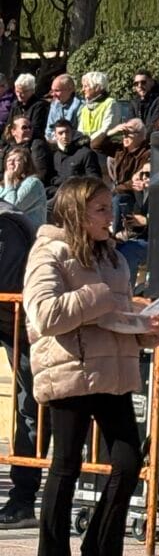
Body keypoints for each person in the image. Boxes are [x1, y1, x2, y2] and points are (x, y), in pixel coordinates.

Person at [24, 177, 159, 556]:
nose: (112, 216)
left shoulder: (114, 257)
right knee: (65, 465)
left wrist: (150, 329)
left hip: (115, 373)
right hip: (69, 371)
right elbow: (45, 315)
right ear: (76, 212)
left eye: (111, 207)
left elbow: (120, 317)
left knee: (128, 461)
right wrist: (99, 296)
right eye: (101, 209)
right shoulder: (49, 251)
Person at [0, 199, 38, 529]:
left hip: (22, 327)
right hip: (8, 322)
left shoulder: (7, 225)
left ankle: (24, 499)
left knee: (30, 411)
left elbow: (6, 281)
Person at [91, 119, 151, 236]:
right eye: (122, 134)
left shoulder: (146, 153)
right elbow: (95, 145)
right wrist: (112, 132)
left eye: (128, 134)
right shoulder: (120, 150)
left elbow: (136, 181)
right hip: (119, 190)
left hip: (136, 194)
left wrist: (117, 189)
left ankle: (115, 235)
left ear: (141, 136)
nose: (124, 137)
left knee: (118, 200)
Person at [47, 119, 102, 200]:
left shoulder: (86, 153)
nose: (64, 136)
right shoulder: (54, 156)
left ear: (72, 132)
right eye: (60, 133)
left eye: (67, 132)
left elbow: (94, 181)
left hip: (80, 198)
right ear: (55, 135)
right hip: (58, 197)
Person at [0, 147, 46, 228]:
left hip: (28, 235)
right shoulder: (2, 186)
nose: (11, 162)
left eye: (16, 160)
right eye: (9, 160)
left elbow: (10, 209)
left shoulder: (33, 183)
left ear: (26, 164)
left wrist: (9, 184)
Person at [4, 113, 53, 185]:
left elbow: (40, 173)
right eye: (24, 127)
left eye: (30, 127)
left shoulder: (37, 146)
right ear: (13, 131)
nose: (28, 130)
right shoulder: (8, 149)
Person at [76, 71, 121, 144]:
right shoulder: (85, 108)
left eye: (86, 86)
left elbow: (106, 129)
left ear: (97, 87)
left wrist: (87, 141)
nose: (82, 89)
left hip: (103, 146)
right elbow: (80, 131)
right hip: (87, 146)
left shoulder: (110, 103)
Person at [45, 75, 82, 142]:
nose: (53, 94)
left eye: (57, 90)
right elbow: (49, 131)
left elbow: (80, 132)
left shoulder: (80, 106)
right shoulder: (54, 105)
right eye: (52, 91)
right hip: (55, 143)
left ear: (70, 90)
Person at [13, 74, 49, 139]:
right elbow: (9, 126)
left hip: (31, 140)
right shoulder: (15, 105)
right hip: (14, 139)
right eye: (17, 91)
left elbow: (36, 129)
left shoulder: (39, 106)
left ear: (32, 91)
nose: (19, 95)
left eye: (23, 92)